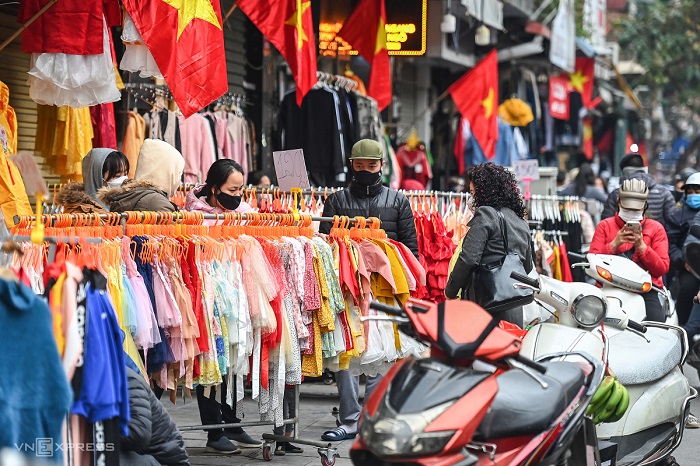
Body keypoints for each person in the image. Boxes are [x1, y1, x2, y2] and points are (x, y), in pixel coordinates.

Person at [318, 139, 419, 442]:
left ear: (381, 167)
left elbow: (410, 249)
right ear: (352, 165)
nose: (364, 171)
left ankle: (371, 417)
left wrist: (407, 289)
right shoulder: (336, 201)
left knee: (382, 352)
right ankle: (350, 418)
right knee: (346, 351)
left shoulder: (398, 201)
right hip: (347, 287)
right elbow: (324, 246)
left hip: (385, 289)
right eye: (359, 166)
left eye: (370, 166)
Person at [185, 158, 260, 453]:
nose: (238, 195)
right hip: (209, 291)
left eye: (241, 189)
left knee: (232, 361)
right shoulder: (195, 216)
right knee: (212, 361)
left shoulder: (242, 213)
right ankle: (214, 432)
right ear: (214, 189)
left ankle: (231, 423)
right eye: (232, 188)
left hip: (237, 288)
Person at [445, 163, 534, 326]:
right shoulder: (521, 221)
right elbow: (527, 266)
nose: (471, 199)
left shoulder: (485, 215)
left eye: (473, 193)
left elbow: (468, 258)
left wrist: (450, 290)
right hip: (514, 305)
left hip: (486, 304)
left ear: (485, 192)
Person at [589, 179, 670, 322]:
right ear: (619, 202)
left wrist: (642, 247)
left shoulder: (656, 228)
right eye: (628, 209)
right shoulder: (605, 226)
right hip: (608, 285)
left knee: (657, 327)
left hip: (645, 289)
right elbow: (592, 260)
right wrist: (614, 244)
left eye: (636, 210)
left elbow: (662, 268)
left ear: (645, 206)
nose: (631, 213)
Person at [120, 367, 189, 466]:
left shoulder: (126, 379)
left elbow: (138, 434)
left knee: (104, 453)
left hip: (162, 461)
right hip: (144, 454)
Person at [98, 139, 183, 213]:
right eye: (178, 173)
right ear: (168, 172)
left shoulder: (133, 194)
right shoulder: (156, 202)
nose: (179, 180)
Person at [601, 153, 676, 228]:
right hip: (657, 238)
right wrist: (661, 237)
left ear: (624, 172)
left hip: (621, 238)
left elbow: (606, 225)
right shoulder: (664, 193)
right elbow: (673, 222)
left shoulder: (617, 194)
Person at [667, 172, 700, 325]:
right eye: (690, 192)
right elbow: (671, 244)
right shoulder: (677, 215)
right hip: (689, 266)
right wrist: (684, 260)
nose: (694, 195)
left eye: (698, 192)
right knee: (687, 289)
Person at [55, 148, 130, 214]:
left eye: (125, 174)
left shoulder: (123, 203)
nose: (124, 179)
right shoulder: (80, 212)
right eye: (117, 176)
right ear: (97, 176)